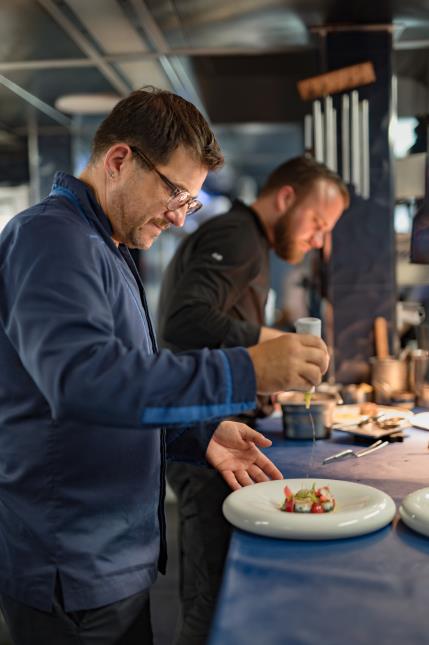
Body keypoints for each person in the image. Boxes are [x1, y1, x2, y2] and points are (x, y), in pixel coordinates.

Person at [0, 88, 329, 645]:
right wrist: (246, 369)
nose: (179, 217)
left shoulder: (108, 246)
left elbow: (126, 380)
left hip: (112, 556)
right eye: (176, 192)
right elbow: (85, 384)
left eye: (190, 202)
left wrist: (196, 432)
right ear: (120, 159)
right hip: (71, 563)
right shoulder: (50, 239)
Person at [158, 155, 349, 645]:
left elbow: (212, 332)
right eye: (317, 224)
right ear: (286, 198)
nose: (318, 241)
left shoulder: (248, 240)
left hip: (216, 429)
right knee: (210, 595)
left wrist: (266, 369)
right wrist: (269, 345)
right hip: (204, 435)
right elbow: (184, 320)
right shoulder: (238, 235)